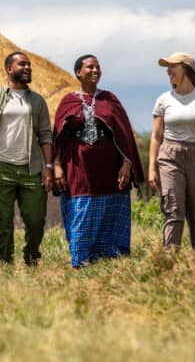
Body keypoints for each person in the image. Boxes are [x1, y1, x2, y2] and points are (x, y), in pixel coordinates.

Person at [53, 54, 143, 268]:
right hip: (79, 168)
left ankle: (112, 257)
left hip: (110, 167)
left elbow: (124, 135)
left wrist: (127, 164)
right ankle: (81, 260)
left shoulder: (110, 99)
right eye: (90, 67)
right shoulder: (68, 101)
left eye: (98, 67)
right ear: (78, 72)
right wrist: (56, 166)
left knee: (112, 209)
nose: (95, 70)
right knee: (81, 209)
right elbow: (58, 137)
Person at [0, 51, 54, 265]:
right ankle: (4, 262)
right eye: (22, 64)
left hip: (31, 168)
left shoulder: (38, 101)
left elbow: (46, 135)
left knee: (36, 219)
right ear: (9, 69)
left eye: (29, 64)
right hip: (0, 166)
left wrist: (48, 166)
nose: (28, 67)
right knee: (2, 221)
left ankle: (31, 256)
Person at [148, 52, 195, 249]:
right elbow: (156, 136)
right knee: (173, 206)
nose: (168, 71)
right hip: (169, 155)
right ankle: (170, 258)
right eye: (167, 67)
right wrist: (151, 168)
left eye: (172, 66)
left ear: (186, 69)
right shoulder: (163, 99)